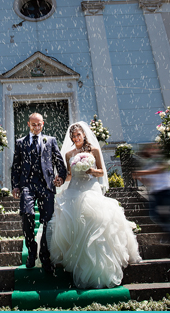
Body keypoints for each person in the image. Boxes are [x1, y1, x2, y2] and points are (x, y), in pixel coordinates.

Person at [46, 121, 141, 289]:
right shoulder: (69, 154)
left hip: (90, 188)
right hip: (74, 190)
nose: (76, 138)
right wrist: (60, 180)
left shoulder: (94, 151)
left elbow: (102, 172)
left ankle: (98, 264)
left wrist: (90, 171)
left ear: (84, 135)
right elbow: (69, 175)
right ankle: (78, 262)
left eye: (78, 135)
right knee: (74, 223)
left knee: (96, 222)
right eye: (73, 136)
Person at [11, 113, 67, 273]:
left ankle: (44, 254)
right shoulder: (20, 143)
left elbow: (59, 162)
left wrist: (61, 177)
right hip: (27, 185)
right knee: (26, 214)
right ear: (28, 124)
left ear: (43, 124)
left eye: (39, 125)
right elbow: (16, 166)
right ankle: (31, 250)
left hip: (46, 185)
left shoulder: (51, 141)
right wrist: (15, 185)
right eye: (33, 125)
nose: (36, 127)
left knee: (47, 221)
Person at [133, 143, 170, 255]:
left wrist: (141, 173)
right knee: (155, 216)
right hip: (156, 194)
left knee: (166, 217)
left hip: (166, 192)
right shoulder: (148, 165)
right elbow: (149, 181)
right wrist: (141, 178)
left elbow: (160, 169)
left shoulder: (161, 159)